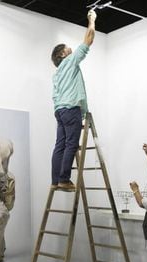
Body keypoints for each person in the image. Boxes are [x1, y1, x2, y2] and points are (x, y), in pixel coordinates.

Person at [50, 9, 97, 192]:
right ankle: (64, 179)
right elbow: (89, 39)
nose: (70, 49)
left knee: (60, 145)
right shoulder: (70, 61)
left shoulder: (56, 74)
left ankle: (55, 180)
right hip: (70, 110)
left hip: (60, 111)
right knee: (71, 144)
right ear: (62, 54)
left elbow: (55, 97)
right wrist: (91, 20)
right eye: (67, 48)